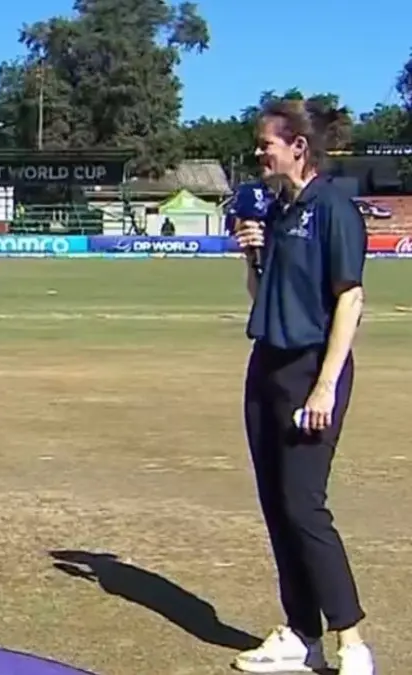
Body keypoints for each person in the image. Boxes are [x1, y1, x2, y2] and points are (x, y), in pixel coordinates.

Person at [231, 99, 374, 675]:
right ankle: (299, 634)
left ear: (298, 147)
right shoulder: (279, 211)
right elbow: (263, 296)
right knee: (276, 505)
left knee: (304, 506)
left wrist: (324, 387)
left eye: (267, 143)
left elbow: (350, 298)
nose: (259, 153)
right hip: (266, 364)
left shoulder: (334, 206)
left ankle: (353, 642)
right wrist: (251, 256)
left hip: (313, 370)